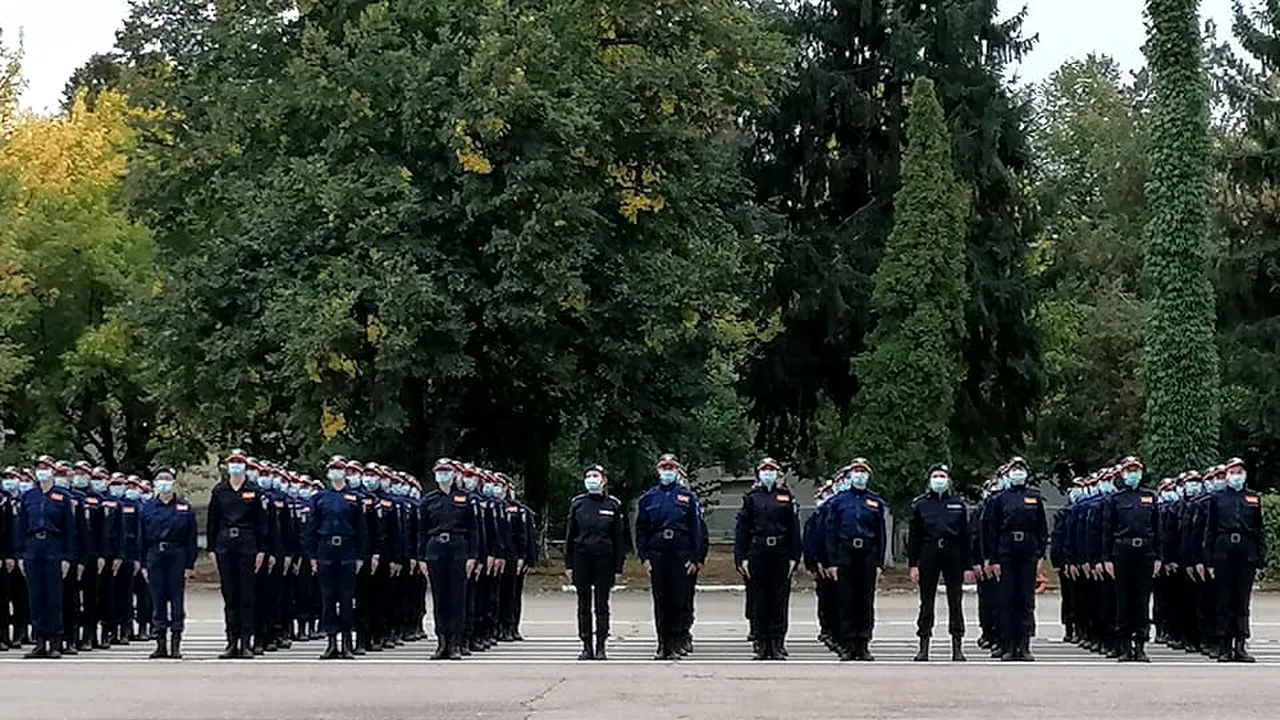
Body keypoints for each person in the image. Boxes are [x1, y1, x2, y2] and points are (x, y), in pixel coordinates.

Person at [634, 453, 705, 660]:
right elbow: (641, 530)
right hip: (658, 553)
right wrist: (644, 557)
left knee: (678, 600)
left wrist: (696, 557)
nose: (667, 471)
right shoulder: (648, 498)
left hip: (680, 553)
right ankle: (662, 644)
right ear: (658, 470)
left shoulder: (687, 497)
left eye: (671, 468)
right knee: (661, 601)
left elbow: (696, 530)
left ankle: (676, 642)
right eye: (664, 468)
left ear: (677, 471)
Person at [733, 457, 801, 660]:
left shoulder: (786, 496)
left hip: (781, 551)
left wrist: (794, 556)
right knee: (759, 599)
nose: (768, 473)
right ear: (759, 474)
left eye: (772, 470)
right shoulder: (751, 497)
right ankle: (762, 643)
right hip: (758, 550)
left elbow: (793, 528)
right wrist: (741, 557)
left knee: (779, 599)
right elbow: (742, 529)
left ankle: (777, 642)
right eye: (765, 470)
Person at [982, 456, 1048, 661]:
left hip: (1028, 551)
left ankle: (1024, 645)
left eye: (1021, 469)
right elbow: (992, 530)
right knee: (1007, 599)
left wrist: (1040, 555)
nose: (1018, 473)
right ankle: (1008, 645)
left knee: (1026, 600)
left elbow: (1041, 529)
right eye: (1014, 470)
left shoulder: (1034, 497)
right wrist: (993, 559)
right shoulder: (1000, 499)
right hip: (1006, 552)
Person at [823, 458, 886, 661]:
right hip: (846, 551)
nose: (860, 475)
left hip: (867, 552)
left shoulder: (875, 502)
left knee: (865, 600)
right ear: (850, 475)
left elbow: (880, 534)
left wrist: (879, 562)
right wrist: (832, 562)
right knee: (846, 599)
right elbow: (831, 532)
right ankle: (848, 644)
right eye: (856, 471)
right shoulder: (838, 501)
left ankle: (863, 643)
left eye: (863, 471)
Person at [906, 464, 972, 662]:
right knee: (927, 602)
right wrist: (913, 564)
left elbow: (966, 537)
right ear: (929, 480)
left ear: (948, 479)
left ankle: (957, 646)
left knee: (955, 601)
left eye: (942, 476)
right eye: (935, 476)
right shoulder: (920, 504)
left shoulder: (958, 504)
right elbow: (914, 537)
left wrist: (967, 566)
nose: (939, 479)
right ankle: (924, 645)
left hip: (953, 553)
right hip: (929, 552)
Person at [1203, 457, 1265, 662]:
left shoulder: (1253, 498)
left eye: (1239, 472)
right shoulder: (1217, 498)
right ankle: (1224, 646)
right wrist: (1209, 560)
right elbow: (1210, 530)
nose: (1236, 476)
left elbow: (1259, 529)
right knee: (1223, 600)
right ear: (1227, 475)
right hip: (1223, 551)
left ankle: (1240, 644)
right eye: (1232, 472)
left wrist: (1260, 557)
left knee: (1241, 601)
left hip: (1246, 551)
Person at [206, 450, 267, 659]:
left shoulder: (254, 490)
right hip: (225, 545)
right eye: (232, 462)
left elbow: (262, 524)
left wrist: (261, 550)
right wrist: (211, 549)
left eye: (239, 462)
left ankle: (246, 642)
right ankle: (232, 641)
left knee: (247, 596)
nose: (236, 466)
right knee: (230, 596)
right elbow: (212, 521)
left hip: (247, 545)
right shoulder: (220, 490)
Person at [306, 457, 367, 660]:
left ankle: (347, 642)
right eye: (332, 468)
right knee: (328, 598)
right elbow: (311, 528)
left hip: (348, 549)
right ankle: (331, 641)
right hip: (325, 549)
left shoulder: (355, 498)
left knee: (347, 598)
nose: (335, 472)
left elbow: (362, 528)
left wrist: (361, 555)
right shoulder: (319, 498)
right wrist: (312, 555)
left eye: (339, 468)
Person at [1100, 456, 1160, 662]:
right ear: (1122, 474)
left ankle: (1140, 644)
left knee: (1142, 600)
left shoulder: (1150, 497)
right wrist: (1106, 558)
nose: (1133, 474)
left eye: (1136, 470)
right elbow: (1106, 530)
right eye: (1129, 470)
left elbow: (1158, 528)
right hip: (1122, 552)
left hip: (1145, 552)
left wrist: (1158, 557)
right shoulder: (1115, 499)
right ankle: (1124, 645)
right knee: (1123, 600)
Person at [419, 458, 480, 660]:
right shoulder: (428, 500)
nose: (443, 475)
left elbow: (474, 530)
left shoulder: (466, 498)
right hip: (435, 549)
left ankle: (455, 643)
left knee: (457, 598)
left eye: (446, 471)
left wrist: (472, 556)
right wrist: (421, 557)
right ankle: (442, 642)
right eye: (440, 471)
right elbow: (421, 531)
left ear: (454, 475)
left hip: (458, 549)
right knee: (440, 598)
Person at [564, 465, 626, 660]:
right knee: (583, 603)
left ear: (604, 480)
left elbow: (619, 538)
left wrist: (618, 567)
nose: (591, 479)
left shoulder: (613, 504)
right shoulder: (578, 504)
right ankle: (586, 645)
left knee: (601, 604)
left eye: (595, 475)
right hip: (582, 557)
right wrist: (569, 564)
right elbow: (570, 535)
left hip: (604, 559)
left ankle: (601, 645)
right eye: (588, 476)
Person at [16, 455, 75, 658]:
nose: (41, 471)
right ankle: (40, 641)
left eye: (45, 467)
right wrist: (20, 555)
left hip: (54, 547)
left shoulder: (62, 496)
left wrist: (67, 557)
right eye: (39, 468)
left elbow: (70, 529)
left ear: (52, 471)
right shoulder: (28, 496)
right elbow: (20, 526)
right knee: (36, 597)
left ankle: (55, 641)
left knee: (53, 598)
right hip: (33, 547)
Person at [139, 468, 198, 659]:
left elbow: (191, 539)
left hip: (177, 555)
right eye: (160, 479)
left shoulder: (184, 507)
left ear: (173, 482)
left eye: (167, 478)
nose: (164, 482)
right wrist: (143, 564)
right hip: (155, 555)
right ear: (154, 483)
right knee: (158, 600)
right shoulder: (147, 507)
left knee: (176, 600)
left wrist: (189, 565)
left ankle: (176, 643)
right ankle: (160, 643)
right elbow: (141, 539)